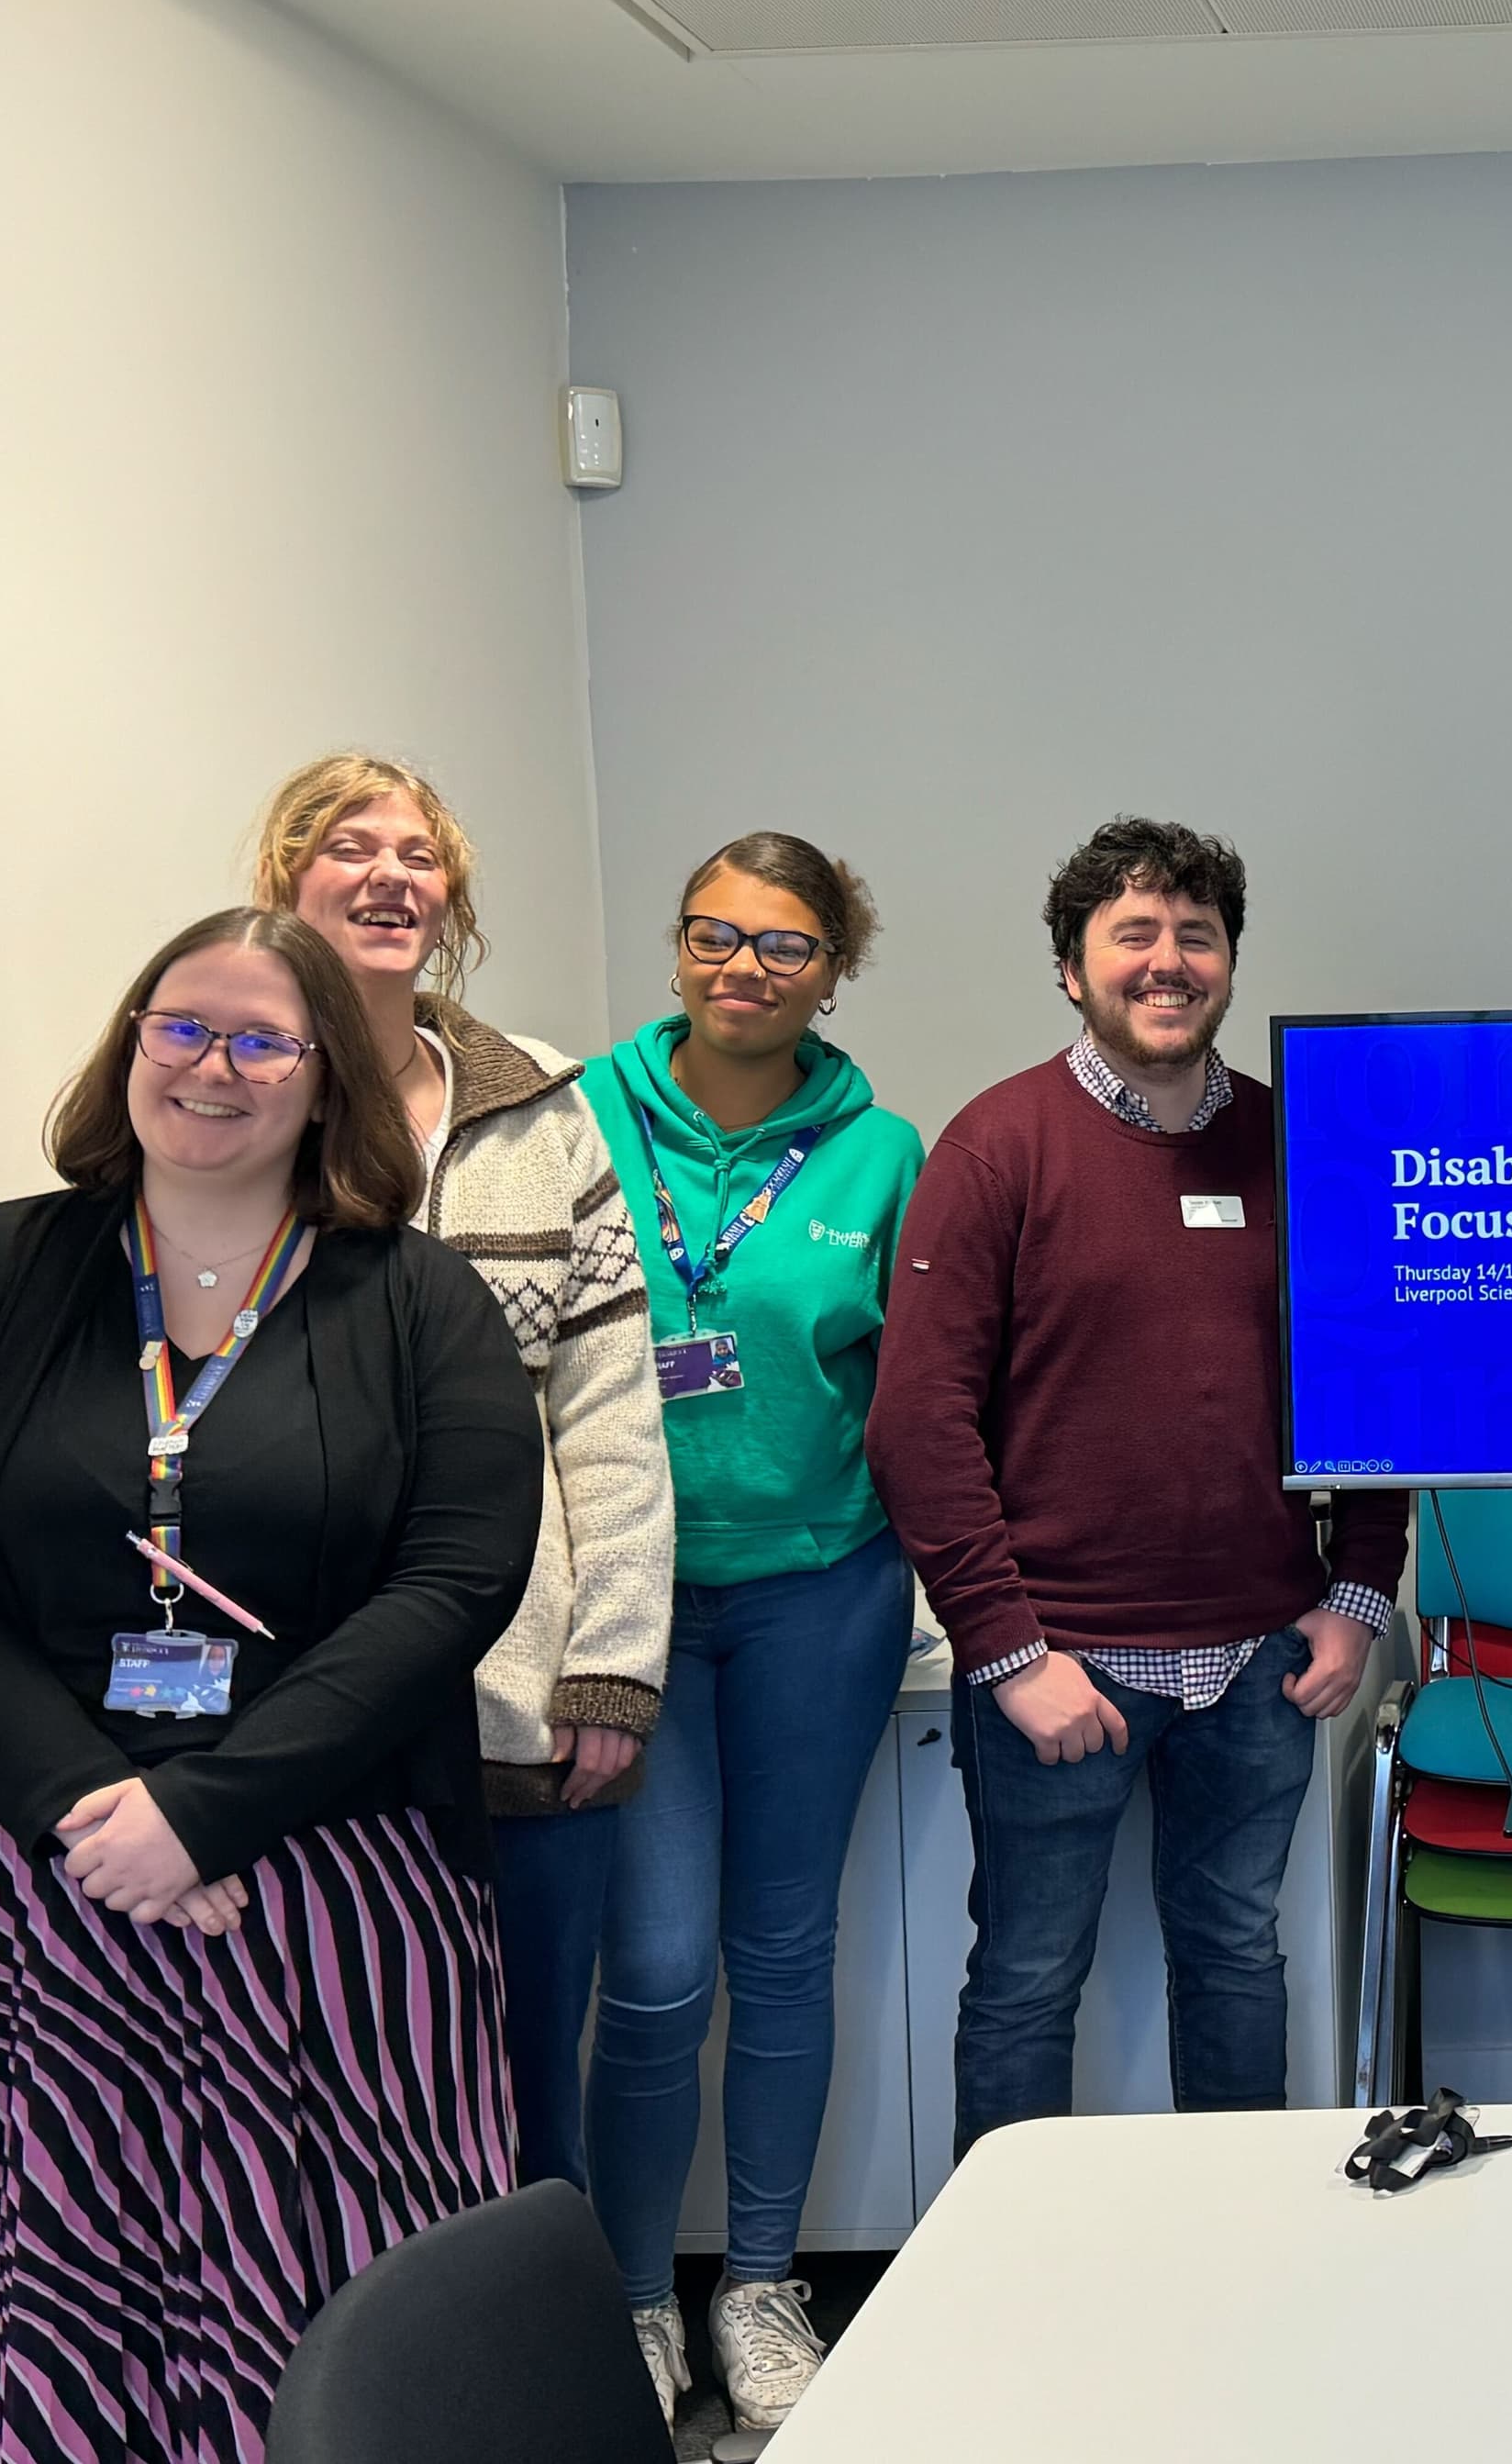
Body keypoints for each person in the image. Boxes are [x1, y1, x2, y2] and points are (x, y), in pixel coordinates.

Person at [0, 909, 540, 2464]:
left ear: (324, 1077)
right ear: (131, 1045)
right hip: (52, 1886)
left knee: (360, 2304)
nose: (214, 1068)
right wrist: (93, 1808)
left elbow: (457, 1583)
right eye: (183, 1028)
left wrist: (212, 1812)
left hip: (344, 1893)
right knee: (80, 2292)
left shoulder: (421, 1302)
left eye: (262, 1040)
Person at [869, 817, 1407, 2155]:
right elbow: (917, 1425)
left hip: (1266, 1665)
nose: (1168, 962)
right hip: (1061, 1665)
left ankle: (1241, 2259)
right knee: (1026, 1979)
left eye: (1196, 936)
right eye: (1135, 936)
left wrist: (1359, 1594)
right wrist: (1006, 1652)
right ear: (1072, 969)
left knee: (1235, 1959)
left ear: (1229, 963)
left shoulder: (1298, 1147)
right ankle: (1010, 2289)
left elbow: (1377, 1387)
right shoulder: (996, 1148)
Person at [251, 753, 674, 2197]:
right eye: (350, 846)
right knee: (328, 2100)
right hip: (294, 1712)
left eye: (419, 854)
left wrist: (610, 1669)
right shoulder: (240, 1092)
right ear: (287, 880)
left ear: (453, 898)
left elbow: (613, 1413)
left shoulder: (547, 1110)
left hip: (518, 1704)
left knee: (526, 2092)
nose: (389, 876)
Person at [579, 833, 927, 2436]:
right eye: (714, 935)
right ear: (677, 949)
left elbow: (916, 1387)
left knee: (785, 1955)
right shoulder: (577, 1119)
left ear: (832, 972)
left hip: (820, 1592)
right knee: (651, 1972)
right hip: (628, 1604)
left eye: (784, 947)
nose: (743, 968)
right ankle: (637, 2293)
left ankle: (765, 2287)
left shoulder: (881, 1153)